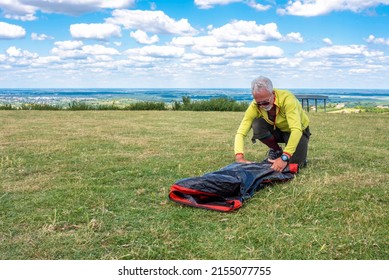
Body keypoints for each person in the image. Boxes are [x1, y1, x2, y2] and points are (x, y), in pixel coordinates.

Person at [234, 76, 311, 172]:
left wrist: (285, 157)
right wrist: (239, 157)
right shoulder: (255, 106)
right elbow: (240, 133)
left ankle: (285, 154)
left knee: (296, 164)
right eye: (259, 103)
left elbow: (296, 129)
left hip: (298, 131)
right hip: (278, 129)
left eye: (265, 102)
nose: (262, 106)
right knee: (257, 124)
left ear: (273, 94)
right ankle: (277, 150)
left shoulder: (287, 99)